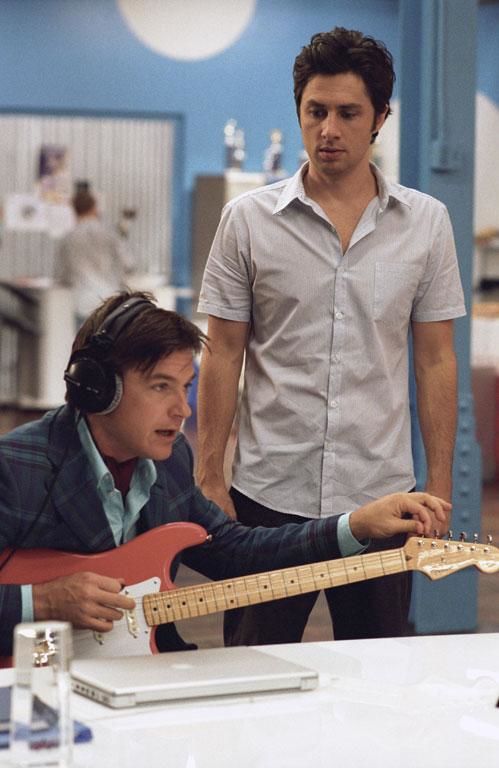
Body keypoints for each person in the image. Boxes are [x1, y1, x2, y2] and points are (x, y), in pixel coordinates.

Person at [196, 27, 466, 646]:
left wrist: (439, 485)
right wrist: (210, 475)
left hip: (383, 492)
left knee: (379, 675)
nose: (328, 130)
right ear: (298, 111)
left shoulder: (426, 223)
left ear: (380, 119)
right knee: (253, 666)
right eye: (315, 111)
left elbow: (435, 361)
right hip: (267, 494)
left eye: (348, 113)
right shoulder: (247, 221)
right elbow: (223, 352)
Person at [0, 290, 449, 658]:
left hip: (145, 673)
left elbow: (238, 552)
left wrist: (356, 525)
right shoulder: (15, 469)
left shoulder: (170, 462)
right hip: (36, 685)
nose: (182, 409)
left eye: (185, 387)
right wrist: (42, 600)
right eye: (160, 386)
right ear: (97, 388)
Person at [56, 187, 134, 327]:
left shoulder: (68, 238)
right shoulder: (110, 234)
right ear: (94, 208)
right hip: (111, 301)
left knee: (86, 340)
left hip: (83, 303)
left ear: (74, 210)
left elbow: (62, 275)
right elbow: (128, 264)